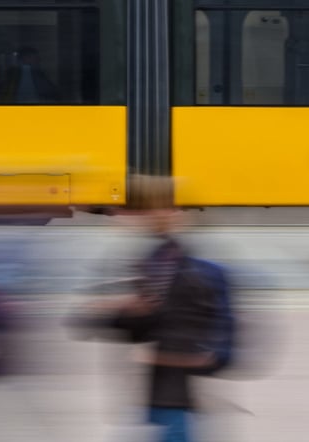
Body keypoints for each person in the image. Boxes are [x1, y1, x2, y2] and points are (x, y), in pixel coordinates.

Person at [86, 176, 225, 442]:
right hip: (159, 396)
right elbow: (146, 323)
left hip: (177, 396)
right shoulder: (158, 258)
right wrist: (121, 312)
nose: (153, 215)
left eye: (160, 207)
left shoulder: (194, 266)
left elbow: (200, 335)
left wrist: (154, 352)